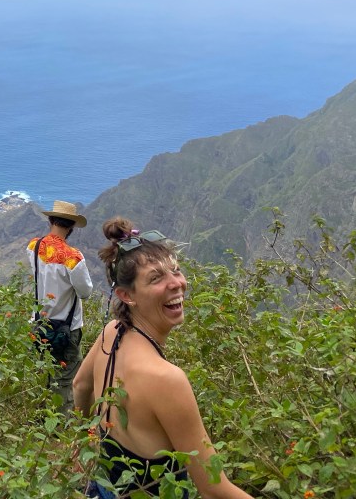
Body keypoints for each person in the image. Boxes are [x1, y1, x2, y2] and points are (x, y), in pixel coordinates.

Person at [73, 217, 256, 499]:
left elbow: (80, 386)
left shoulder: (112, 332)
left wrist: (83, 444)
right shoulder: (166, 378)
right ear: (126, 295)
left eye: (176, 270)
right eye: (156, 278)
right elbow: (213, 489)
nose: (177, 284)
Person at [28, 199, 94, 412]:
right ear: (72, 226)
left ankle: (40, 417)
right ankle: (59, 425)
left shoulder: (34, 246)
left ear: (50, 221)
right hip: (66, 328)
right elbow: (85, 292)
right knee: (65, 378)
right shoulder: (73, 258)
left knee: (44, 373)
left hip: (39, 324)